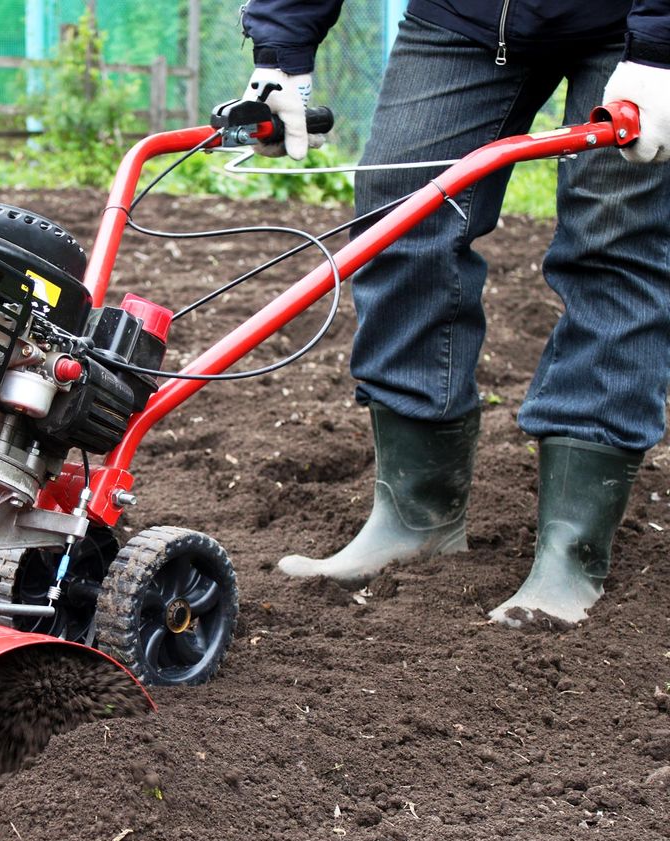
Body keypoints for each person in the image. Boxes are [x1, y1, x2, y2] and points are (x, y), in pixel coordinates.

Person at [239, 0, 670, 626]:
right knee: (401, 214)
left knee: (614, 242)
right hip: (463, 14)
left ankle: (572, 553)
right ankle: (416, 517)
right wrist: (281, 51)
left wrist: (659, 48)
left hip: (633, 22)